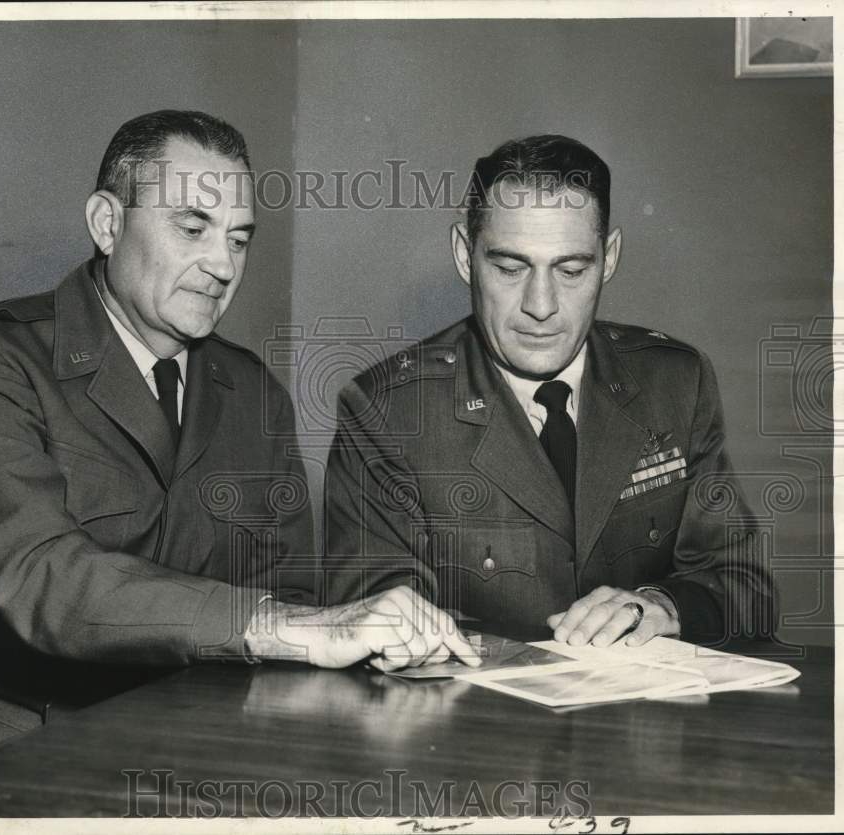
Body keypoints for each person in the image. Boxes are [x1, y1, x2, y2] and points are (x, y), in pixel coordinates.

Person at [0, 110, 478, 816]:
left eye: (239, 238)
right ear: (106, 222)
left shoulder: (251, 391)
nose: (222, 265)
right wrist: (295, 627)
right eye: (193, 227)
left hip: (174, 753)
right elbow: (44, 583)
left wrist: (374, 637)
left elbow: (283, 593)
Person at [324, 134, 777, 649]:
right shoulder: (387, 410)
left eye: (571, 270)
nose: (541, 305)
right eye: (510, 268)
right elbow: (371, 608)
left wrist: (661, 605)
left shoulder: (675, 381)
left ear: (608, 258)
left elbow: (746, 589)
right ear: (463, 255)